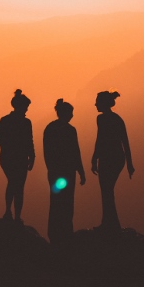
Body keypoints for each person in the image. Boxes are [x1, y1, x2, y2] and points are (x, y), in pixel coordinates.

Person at [43, 98, 85, 244]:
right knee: (66, 202)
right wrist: (81, 171)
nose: (72, 115)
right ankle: (65, 231)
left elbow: (47, 152)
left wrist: (51, 169)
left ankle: (56, 232)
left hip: (58, 172)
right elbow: (76, 152)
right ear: (65, 113)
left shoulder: (50, 128)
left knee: (57, 201)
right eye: (71, 112)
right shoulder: (69, 130)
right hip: (66, 172)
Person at [91, 90, 134, 231]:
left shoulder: (105, 119)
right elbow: (123, 142)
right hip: (113, 158)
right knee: (107, 190)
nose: (95, 104)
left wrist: (94, 158)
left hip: (110, 158)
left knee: (106, 190)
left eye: (97, 102)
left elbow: (104, 139)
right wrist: (129, 164)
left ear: (103, 103)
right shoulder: (115, 119)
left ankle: (110, 224)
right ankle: (110, 223)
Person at [0, 89, 35, 223]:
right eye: (26, 107)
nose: (27, 110)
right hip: (16, 158)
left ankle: (10, 212)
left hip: (9, 158)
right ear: (20, 106)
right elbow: (28, 141)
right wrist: (31, 156)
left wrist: (32, 156)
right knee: (18, 186)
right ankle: (15, 215)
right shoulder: (24, 123)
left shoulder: (5, 121)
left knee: (14, 184)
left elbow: (2, 141)